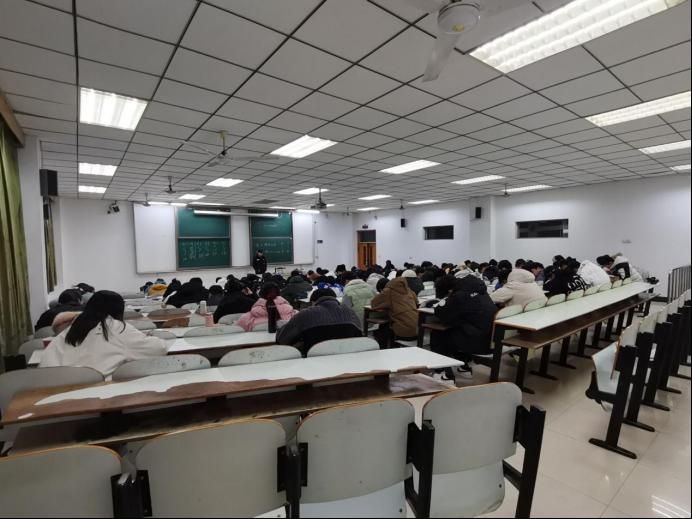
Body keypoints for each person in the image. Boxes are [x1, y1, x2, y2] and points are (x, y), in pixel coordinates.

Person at [39, 290, 167, 377]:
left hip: (60, 395)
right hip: (101, 396)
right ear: (119, 312)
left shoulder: (69, 330)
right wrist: (150, 338)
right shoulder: (116, 328)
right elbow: (159, 348)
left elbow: (44, 367)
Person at [430, 274, 498, 383]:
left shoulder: (459, 296)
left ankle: (444, 374)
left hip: (479, 342)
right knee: (454, 333)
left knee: (438, 335)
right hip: (491, 339)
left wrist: (443, 301)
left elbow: (441, 313)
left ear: (449, 290)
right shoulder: (478, 288)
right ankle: (463, 368)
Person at [276, 289, 362, 354]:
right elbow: (360, 337)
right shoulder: (350, 312)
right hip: (347, 359)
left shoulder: (305, 314)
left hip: (313, 361)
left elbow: (282, 339)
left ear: (313, 302)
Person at [370, 276, 418, 348]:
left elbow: (374, 304)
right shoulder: (409, 291)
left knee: (381, 329)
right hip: (417, 330)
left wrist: (386, 305)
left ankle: (384, 351)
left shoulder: (388, 291)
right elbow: (417, 302)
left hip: (404, 332)